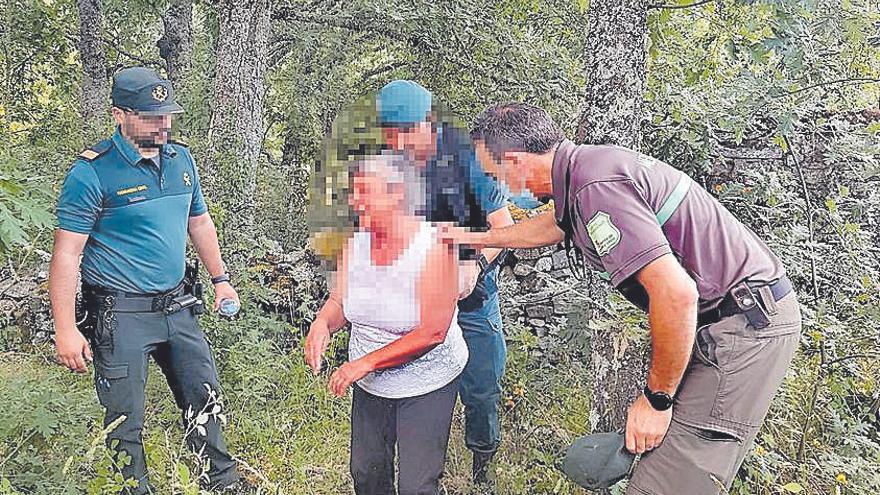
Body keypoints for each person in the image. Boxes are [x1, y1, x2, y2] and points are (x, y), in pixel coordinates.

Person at [448, 102, 802, 494]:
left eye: (495, 174)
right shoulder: (584, 172)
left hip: (742, 326)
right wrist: (477, 238)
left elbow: (676, 294)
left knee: (668, 482)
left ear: (515, 161)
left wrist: (657, 400)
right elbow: (552, 226)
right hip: (729, 318)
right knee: (662, 464)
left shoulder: (596, 187)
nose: (497, 185)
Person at [49, 67, 250, 493]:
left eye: (167, 115)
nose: (163, 125)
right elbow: (67, 254)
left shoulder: (181, 160)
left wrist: (221, 279)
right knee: (125, 419)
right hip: (120, 315)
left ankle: (221, 482)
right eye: (151, 117)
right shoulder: (92, 173)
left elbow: (200, 222)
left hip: (178, 307)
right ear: (119, 115)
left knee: (204, 396)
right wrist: (65, 329)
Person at [375, 80, 515, 489]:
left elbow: (504, 228)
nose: (400, 142)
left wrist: (474, 266)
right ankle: (410, 466)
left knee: (482, 386)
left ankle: (482, 467)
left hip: (472, 297)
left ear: (429, 121)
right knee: (405, 380)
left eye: (407, 130)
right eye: (391, 132)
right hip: (414, 299)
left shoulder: (472, 162)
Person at [305, 153, 467, 495]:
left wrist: (366, 363)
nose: (355, 201)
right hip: (371, 383)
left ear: (398, 193)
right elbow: (339, 302)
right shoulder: (354, 241)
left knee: (416, 485)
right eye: (353, 192)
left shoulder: (435, 246)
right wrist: (322, 323)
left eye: (365, 192)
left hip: (427, 381)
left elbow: (433, 331)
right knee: (366, 473)